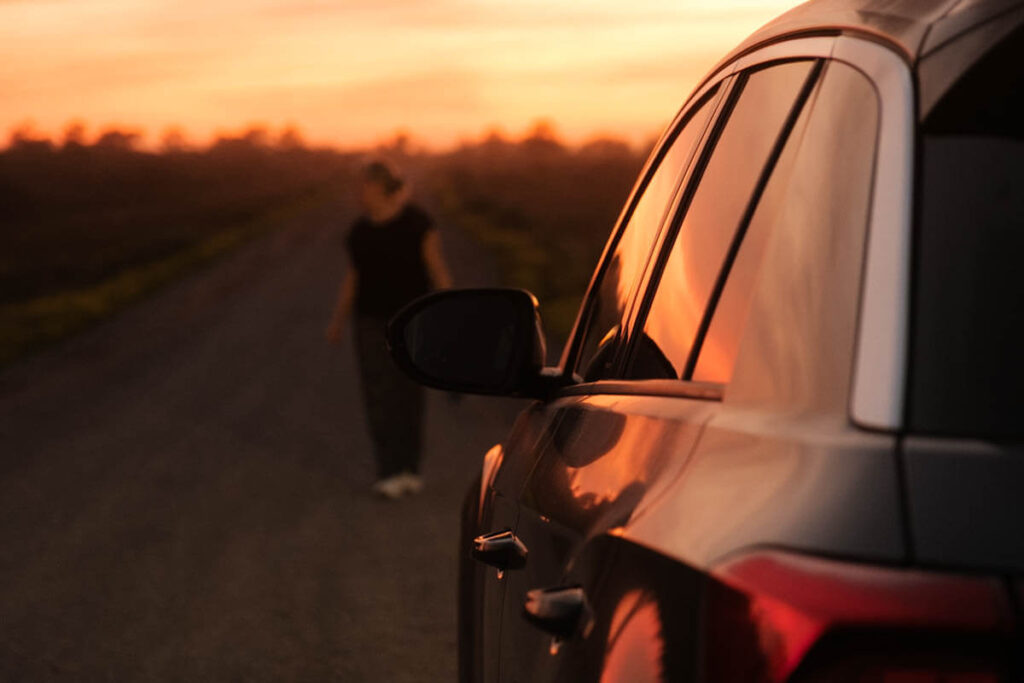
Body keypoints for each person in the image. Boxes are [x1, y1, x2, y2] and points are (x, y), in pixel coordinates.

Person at [326, 160, 453, 499]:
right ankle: (389, 471)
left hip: (413, 322)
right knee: (377, 395)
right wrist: (338, 322)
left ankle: (410, 469)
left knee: (409, 396)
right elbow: (353, 278)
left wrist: (453, 314)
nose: (360, 194)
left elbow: (437, 269)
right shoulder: (358, 232)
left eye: (366, 187)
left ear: (383, 188)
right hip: (369, 323)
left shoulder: (418, 224)